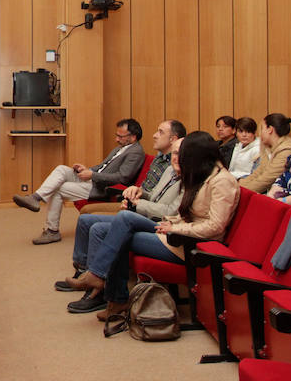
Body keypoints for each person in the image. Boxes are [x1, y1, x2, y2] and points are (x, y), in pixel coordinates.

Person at [66, 131, 240, 319]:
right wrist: (172, 223)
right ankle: (104, 285)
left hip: (191, 244)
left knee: (122, 230)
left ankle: (108, 289)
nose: (180, 159)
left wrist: (175, 228)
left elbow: (215, 226)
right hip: (175, 232)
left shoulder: (222, 181)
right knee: (117, 225)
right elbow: (184, 214)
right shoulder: (204, 175)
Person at [58, 135, 185, 314]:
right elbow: (154, 195)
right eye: (173, 153)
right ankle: (84, 273)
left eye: (180, 153)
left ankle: (97, 286)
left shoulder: (192, 179)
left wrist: (137, 205)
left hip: (165, 227)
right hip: (151, 215)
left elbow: (171, 212)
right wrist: (138, 193)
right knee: (90, 222)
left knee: (119, 223)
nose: (174, 157)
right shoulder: (170, 170)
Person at [13, 118, 145, 245]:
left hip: (102, 188)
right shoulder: (119, 148)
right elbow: (102, 167)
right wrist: (86, 169)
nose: (117, 139)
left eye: (120, 136)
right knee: (62, 169)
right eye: (116, 135)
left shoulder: (136, 152)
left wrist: (92, 175)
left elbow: (122, 178)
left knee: (58, 188)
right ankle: (35, 198)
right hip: (94, 180)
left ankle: (52, 231)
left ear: (133, 137)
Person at [79, 119, 186, 215]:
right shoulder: (159, 158)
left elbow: (159, 200)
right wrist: (135, 194)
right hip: (138, 199)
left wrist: (137, 202)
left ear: (173, 139)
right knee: (86, 211)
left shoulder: (175, 167)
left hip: (147, 207)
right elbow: (149, 192)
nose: (154, 135)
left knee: (89, 215)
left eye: (160, 132)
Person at [240, 113, 291, 193]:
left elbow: (266, 179)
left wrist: (239, 191)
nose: (260, 134)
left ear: (270, 129)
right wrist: (238, 185)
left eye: (262, 129)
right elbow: (259, 172)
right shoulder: (269, 148)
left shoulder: (287, 150)